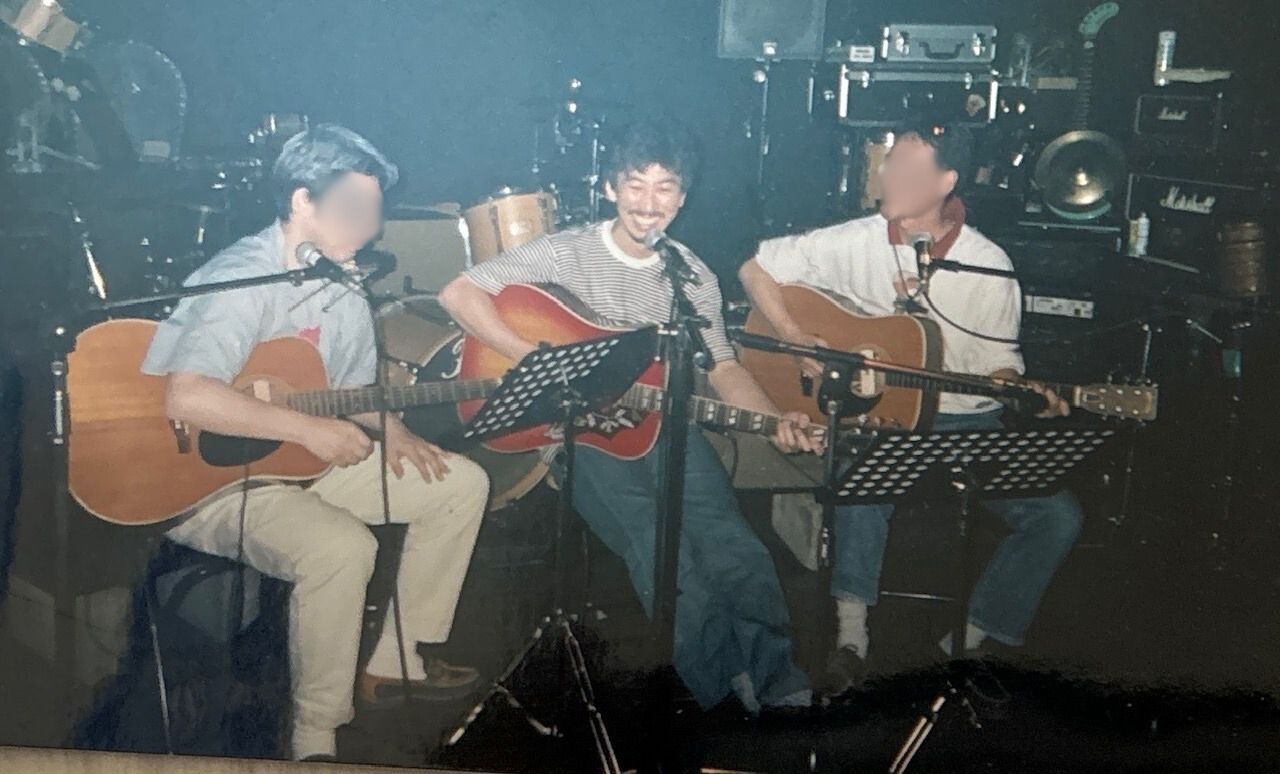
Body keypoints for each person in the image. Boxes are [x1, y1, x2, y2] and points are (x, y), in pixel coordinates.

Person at [439, 118, 814, 712]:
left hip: (663, 427)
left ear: (682, 198)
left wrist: (774, 422)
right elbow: (458, 293)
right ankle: (719, 690)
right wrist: (538, 360)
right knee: (664, 556)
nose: (648, 203)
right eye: (635, 185)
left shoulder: (691, 274)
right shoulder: (567, 251)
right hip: (579, 436)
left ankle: (777, 680)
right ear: (611, 188)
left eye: (664, 188)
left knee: (736, 548)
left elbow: (723, 367)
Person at [142, 124, 489, 761]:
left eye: (376, 209)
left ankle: (397, 662)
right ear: (303, 200)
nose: (372, 226)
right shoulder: (243, 276)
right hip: (210, 484)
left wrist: (396, 431)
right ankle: (315, 736)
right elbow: (186, 397)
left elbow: (352, 387)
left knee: (460, 484)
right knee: (341, 547)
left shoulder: (339, 282)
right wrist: (308, 430)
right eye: (356, 207)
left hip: (298, 463)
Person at [739, 122, 1084, 694]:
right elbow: (754, 267)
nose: (887, 175)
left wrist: (1022, 392)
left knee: (1058, 517)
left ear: (946, 182)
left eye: (906, 168)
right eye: (889, 163)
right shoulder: (854, 238)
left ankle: (970, 636)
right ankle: (851, 636)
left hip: (967, 420)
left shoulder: (988, 263)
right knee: (865, 480)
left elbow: (1000, 367)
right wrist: (799, 341)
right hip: (881, 418)